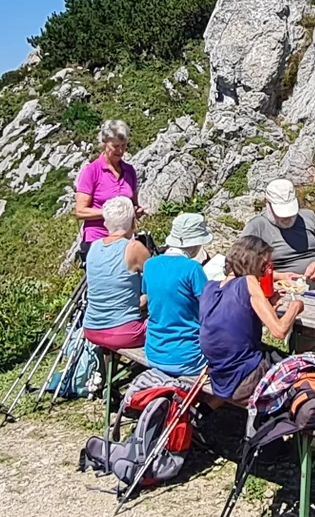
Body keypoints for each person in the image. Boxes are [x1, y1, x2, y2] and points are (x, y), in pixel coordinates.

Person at [200, 235, 303, 403]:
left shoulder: (209, 288)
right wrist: (295, 307)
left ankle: (205, 411)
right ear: (255, 261)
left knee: (272, 353)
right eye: (265, 265)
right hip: (246, 377)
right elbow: (279, 332)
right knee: (304, 366)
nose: (265, 271)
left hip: (220, 377)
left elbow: (236, 325)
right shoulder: (248, 281)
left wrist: (269, 306)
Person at [142, 213, 213, 378]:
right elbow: (210, 308)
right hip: (189, 358)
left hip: (153, 353)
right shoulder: (193, 268)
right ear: (195, 244)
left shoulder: (150, 264)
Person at [83, 196, 151, 351]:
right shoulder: (134, 247)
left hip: (91, 329)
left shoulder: (94, 247)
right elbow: (160, 281)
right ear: (133, 222)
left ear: (106, 223)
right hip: (125, 332)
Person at [242, 179, 315, 288]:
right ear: (267, 204)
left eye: (290, 213)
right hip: (281, 293)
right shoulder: (256, 226)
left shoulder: (309, 217)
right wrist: (279, 276)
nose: (287, 218)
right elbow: (241, 266)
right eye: (281, 214)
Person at [73, 120, 139, 256]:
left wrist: (136, 211)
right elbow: (80, 211)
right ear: (104, 142)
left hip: (124, 240)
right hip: (97, 239)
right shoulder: (91, 171)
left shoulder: (129, 171)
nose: (120, 151)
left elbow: (134, 205)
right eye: (115, 146)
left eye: (124, 145)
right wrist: (111, 213)